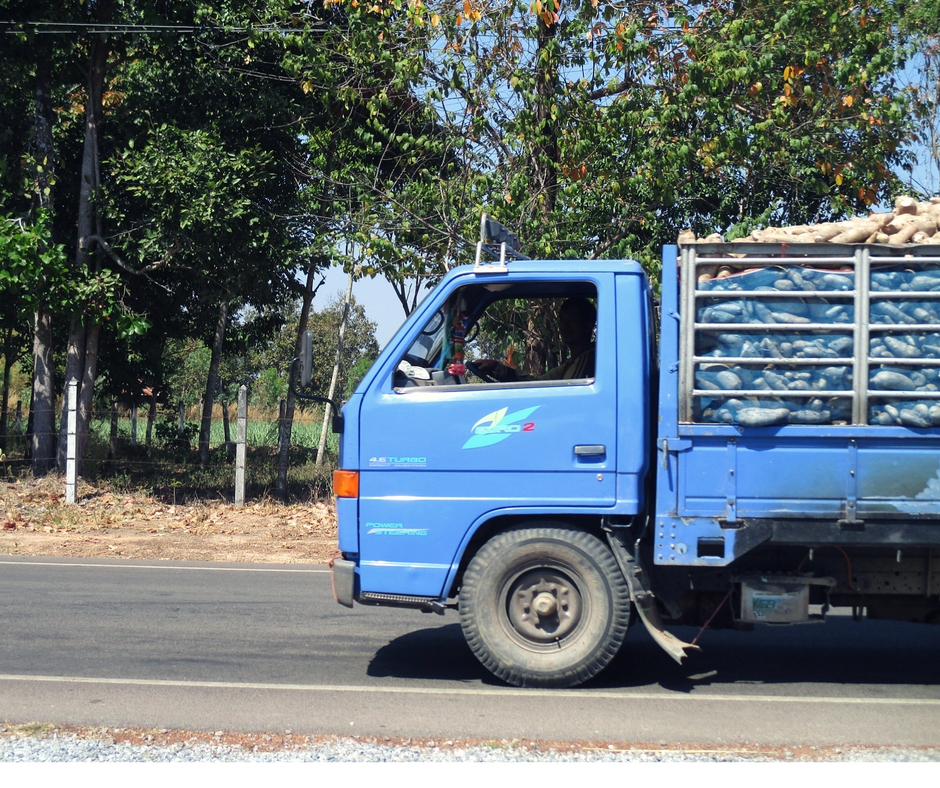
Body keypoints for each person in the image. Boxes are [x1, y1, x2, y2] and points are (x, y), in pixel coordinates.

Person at [475, 297, 596, 382]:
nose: (564, 326)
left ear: (588, 325)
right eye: (562, 320)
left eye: (572, 320)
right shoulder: (571, 363)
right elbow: (539, 382)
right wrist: (499, 368)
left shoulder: (589, 360)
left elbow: (568, 398)